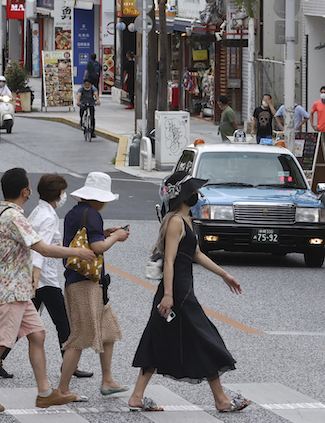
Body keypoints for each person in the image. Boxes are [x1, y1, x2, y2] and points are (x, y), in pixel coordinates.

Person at [0, 168, 96, 415]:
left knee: (37, 334)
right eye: (29, 186)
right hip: (10, 291)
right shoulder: (14, 217)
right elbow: (43, 249)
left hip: (18, 291)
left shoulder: (2, 212)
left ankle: (45, 393)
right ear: (25, 191)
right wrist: (78, 252)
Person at [127, 173, 248, 414]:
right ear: (183, 194)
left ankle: (137, 396)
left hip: (180, 289)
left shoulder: (186, 219)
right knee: (205, 339)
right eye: (194, 191)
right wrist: (169, 295)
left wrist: (224, 275)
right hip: (177, 293)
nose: (198, 195)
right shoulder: (175, 222)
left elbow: (196, 254)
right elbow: (169, 261)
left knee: (156, 338)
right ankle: (221, 399)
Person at [0, 174, 94, 381]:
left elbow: (43, 243)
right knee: (63, 323)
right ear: (58, 194)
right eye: (63, 191)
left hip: (34, 278)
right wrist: (39, 274)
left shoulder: (39, 210)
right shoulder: (49, 217)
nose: (64, 195)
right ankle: (69, 365)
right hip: (44, 279)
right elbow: (42, 250)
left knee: (24, 323)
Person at [55, 172, 130, 400]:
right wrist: (116, 237)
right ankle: (62, 389)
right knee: (79, 336)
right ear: (99, 198)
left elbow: (82, 238)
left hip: (85, 281)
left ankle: (107, 380)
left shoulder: (75, 213)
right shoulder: (93, 215)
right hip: (83, 283)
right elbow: (98, 247)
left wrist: (107, 232)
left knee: (107, 330)